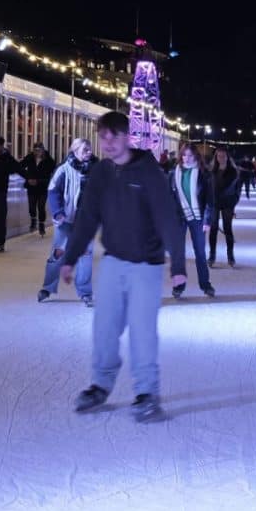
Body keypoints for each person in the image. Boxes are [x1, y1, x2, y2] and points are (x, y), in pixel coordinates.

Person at [58, 110, 187, 421]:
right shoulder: (101, 173)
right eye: (103, 137)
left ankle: (146, 393)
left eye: (115, 136)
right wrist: (71, 257)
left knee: (142, 332)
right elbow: (88, 217)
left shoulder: (149, 172)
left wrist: (178, 264)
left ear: (128, 136)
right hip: (114, 262)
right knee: (105, 328)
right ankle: (100, 385)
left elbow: (167, 218)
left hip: (146, 265)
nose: (109, 143)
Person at [38, 137, 94, 304]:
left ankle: (85, 292)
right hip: (65, 221)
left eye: (89, 149)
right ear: (75, 151)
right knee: (57, 255)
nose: (89, 152)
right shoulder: (63, 170)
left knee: (85, 255)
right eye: (85, 150)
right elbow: (53, 192)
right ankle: (47, 288)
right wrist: (58, 213)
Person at [170, 142, 216, 297]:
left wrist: (207, 221)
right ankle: (179, 286)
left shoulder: (203, 174)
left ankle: (205, 284)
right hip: (178, 217)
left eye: (190, 155)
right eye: (184, 155)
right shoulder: (175, 172)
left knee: (200, 253)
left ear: (196, 156)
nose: (186, 158)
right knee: (178, 253)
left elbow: (210, 200)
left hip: (198, 218)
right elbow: (170, 196)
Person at [208, 146, 242, 267]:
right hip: (215, 203)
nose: (221, 158)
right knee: (213, 229)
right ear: (216, 157)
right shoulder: (212, 170)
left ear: (227, 157)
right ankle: (212, 255)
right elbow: (208, 187)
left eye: (223, 156)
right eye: (219, 156)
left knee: (227, 229)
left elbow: (238, 190)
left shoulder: (234, 172)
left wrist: (234, 201)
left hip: (228, 203)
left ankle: (230, 256)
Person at [23, 141, 56, 235]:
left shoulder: (49, 160)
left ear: (43, 150)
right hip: (31, 186)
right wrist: (28, 178)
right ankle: (33, 219)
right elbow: (20, 167)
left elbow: (51, 174)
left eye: (39, 150)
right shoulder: (29, 158)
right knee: (32, 206)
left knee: (41, 206)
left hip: (43, 187)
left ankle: (41, 224)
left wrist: (39, 181)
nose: (37, 152)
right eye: (35, 150)